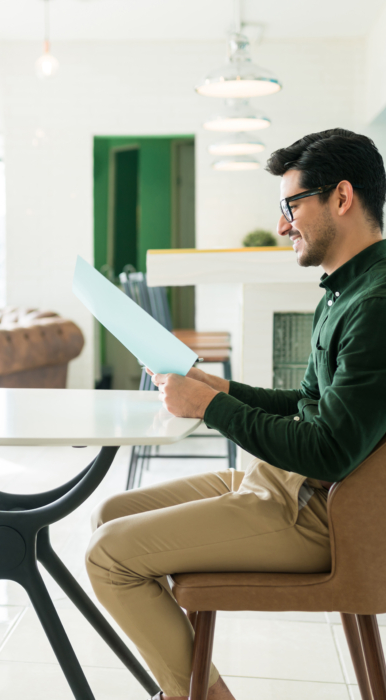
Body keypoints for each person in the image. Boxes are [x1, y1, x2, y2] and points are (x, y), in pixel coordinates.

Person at [86, 129, 386, 700]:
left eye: (291, 205)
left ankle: (201, 696)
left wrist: (211, 407)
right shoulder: (346, 291)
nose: (283, 225)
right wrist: (218, 386)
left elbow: (332, 450)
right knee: (111, 514)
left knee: (108, 556)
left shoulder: (376, 305)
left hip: (320, 512)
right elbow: (306, 407)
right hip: (289, 485)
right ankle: (188, 686)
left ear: (341, 198)